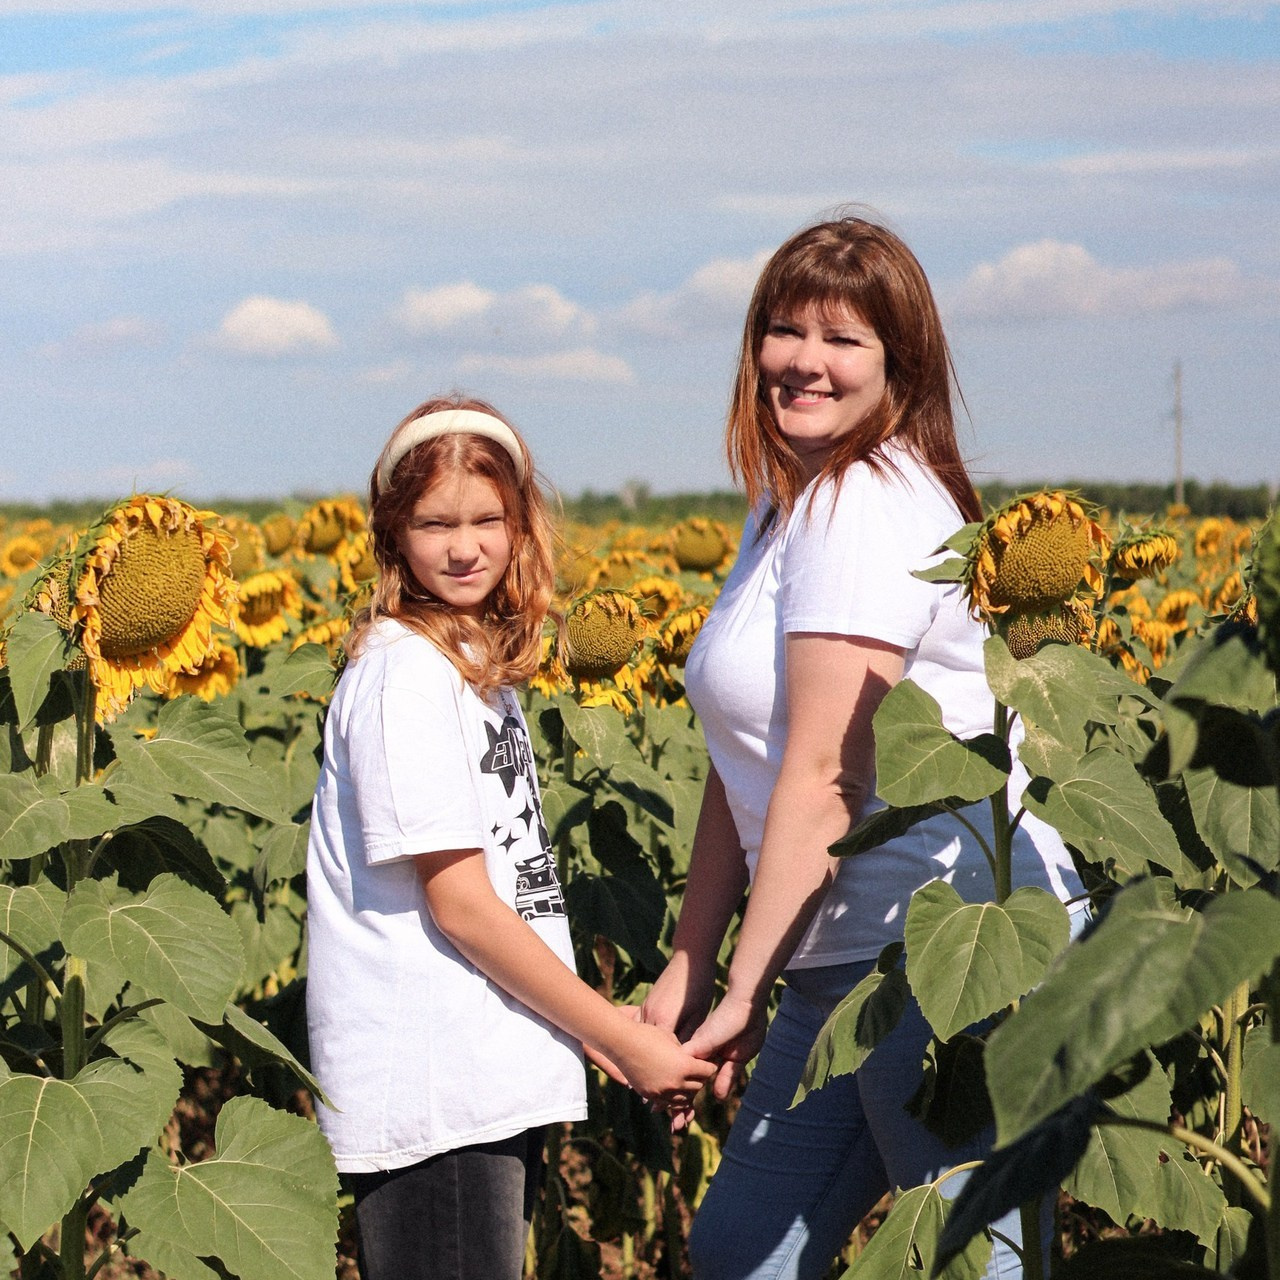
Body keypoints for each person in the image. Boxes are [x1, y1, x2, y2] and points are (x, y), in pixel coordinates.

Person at [641, 217, 1086, 1280]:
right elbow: (747, 761)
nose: (805, 360)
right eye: (785, 330)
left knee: (971, 1260)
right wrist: (692, 962)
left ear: (899, 365)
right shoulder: (784, 503)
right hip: (838, 950)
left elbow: (828, 774)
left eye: (842, 339)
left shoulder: (863, 500)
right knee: (740, 1250)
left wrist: (742, 990)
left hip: (937, 949)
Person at [305, 395, 715, 1280]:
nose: (464, 547)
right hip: (437, 1089)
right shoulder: (406, 679)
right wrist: (616, 1034)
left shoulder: (469, 669)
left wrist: (597, 1033)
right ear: (393, 532)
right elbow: (462, 907)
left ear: (520, 524)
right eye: (435, 524)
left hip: (479, 1075)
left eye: (486, 520)